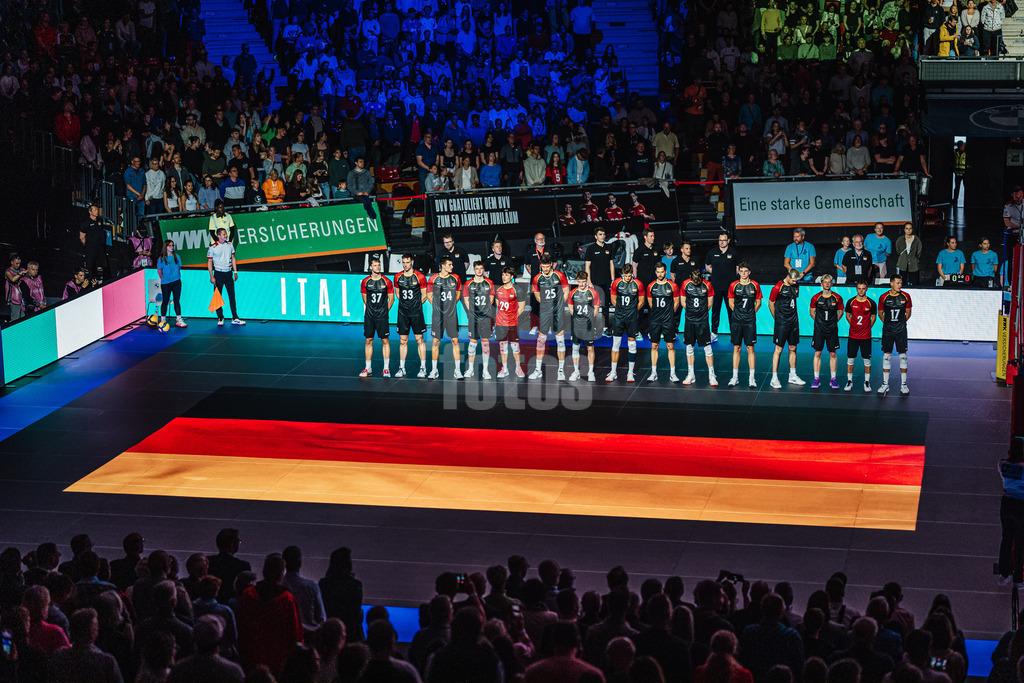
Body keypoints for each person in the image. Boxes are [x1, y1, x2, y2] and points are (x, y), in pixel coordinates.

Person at [237, 554, 303, 676]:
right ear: (282, 573)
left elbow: (241, 625)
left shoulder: (248, 594)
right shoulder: (287, 599)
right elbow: (294, 631)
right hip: (278, 660)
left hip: (251, 655)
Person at [529, 255, 571, 380]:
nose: (546, 269)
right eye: (544, 267)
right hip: (545, 313)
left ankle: (561, 370)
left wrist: (560, 304)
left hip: (558, 313)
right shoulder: (537, 278)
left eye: (548, 266)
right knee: (541, 341)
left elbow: (566, 290)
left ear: (551, 265)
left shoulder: (559, 275)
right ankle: (538, 370)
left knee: (560, 341)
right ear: (541, 265)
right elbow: (537, 295)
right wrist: (547, 306)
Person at [427, 256, 463, 379]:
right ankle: (434, 370)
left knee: (455, 341)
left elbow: (458, 292)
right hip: (438, 316)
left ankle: (457, 370)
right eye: (449, 265)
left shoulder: (455, 278)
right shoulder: (433, 278)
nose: (452, 267)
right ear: (442, 266)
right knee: (435, 342)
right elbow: (429, 294)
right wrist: (438, 306)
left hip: (452, 315)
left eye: (452, 265)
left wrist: (451, 304)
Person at [607, 264, 645, 382]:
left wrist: (632, 311)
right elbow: (613, 299)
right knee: (615, 344)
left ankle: (630, 372)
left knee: (632, 344)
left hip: (632, 318)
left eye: (629, 276)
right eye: (626, 276)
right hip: (619, 317)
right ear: (622, 274)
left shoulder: (638, 284)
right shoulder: (616, 283)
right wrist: (620, 310)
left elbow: (641, 301)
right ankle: (613, 372)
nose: (628, 278)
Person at [394, 254, 429, 378]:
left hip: (416, 313)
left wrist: (415, 305)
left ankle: (423, 368)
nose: (405, 265)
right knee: (403, 341)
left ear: (412, 262)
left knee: (420, 340)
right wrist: (405, 305)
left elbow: (424, 295)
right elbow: (398, 293)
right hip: (403, 313)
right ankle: (402, 368)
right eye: (403, 262)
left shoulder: (419, 276)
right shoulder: (398, 276)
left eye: (407, 262)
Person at [769, 269, 804, 389]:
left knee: (793, 348)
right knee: (778, 349)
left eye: (796, 280)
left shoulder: (796, 285)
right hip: (782, 323)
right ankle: (774, 378)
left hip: (793, 321)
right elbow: (771, 303)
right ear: (788, 276)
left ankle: (792, 375)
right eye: (793, 280)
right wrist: (777, 319)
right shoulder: (777, 287)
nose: (795, 282)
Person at [727, 263, 761, 388]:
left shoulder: (755, 285)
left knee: (750, 348)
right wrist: (738, 313)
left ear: (749, 272)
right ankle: (734, 377)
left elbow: (758, 302)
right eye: (741, 271)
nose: (744, 273)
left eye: (746, 271)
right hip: (737, 321)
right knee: (736, 348)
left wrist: (750, 313)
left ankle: (751, 378)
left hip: (749, 321)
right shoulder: (733, 285)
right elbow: (730, 301)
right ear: (739, 272)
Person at [360, 256, 394, 378]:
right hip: (369, 316)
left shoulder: (387, 281)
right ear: (370, 267)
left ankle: (386, 368)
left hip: (382, 316)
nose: (378, 267)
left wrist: (384, 311)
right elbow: (365, 298)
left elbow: (391, 298)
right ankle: (368, 368)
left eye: (379, 265)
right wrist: (371, 309)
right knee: (368, 340)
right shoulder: (365, 281)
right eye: (375, 265)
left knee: (385, 341)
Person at [682, 270, 718, 386]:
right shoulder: (685, 284)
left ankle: (712, 375)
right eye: (694, 281)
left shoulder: (707, 285)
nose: (696, 283)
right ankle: (691, 374)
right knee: (689, 347)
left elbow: (710, 303)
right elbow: (683, 301)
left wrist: (700, 313)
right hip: (690, 321)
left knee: (707, 348)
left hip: (702, 321)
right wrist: (692, 313)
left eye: (698, 281)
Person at [877, 274, 912, 395]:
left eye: (901, 283)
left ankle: (903, 384)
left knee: (903, 356)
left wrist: (899, 324)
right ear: (891, 283)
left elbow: (908, 313)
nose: (900, 285)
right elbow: (880, 313)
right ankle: (885, 384)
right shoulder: (883, 297)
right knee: (887, 356)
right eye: (897, 283)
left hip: (901, 330)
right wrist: (889, 324)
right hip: (888, 331)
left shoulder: (906, 296)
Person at [646, 263, 680, 382]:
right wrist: (658, 314)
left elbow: (676, 302)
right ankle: (654, 373)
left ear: (666, 271)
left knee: (670, 346)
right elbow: (650, 303)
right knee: (654, 346)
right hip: (655, 321)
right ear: (655, 272)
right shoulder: (651, 286)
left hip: (668, 321)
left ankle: (673, 373)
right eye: (658, 272)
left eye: (662, 272)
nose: (660, 274)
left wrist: (669, 314)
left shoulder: (673, 285)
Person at [809, 275, 844, 390]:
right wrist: (821, 323)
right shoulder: (815, 298)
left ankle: (833, 379)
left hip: (832, 330)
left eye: (829, 282)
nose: (827, 284)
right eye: (825, 282)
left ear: (832, 284)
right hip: (819, 330)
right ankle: (816, 379)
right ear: (821, 284)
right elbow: (812, 312)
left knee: (833, 354)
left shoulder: (837, 298)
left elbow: (840, 312)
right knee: (817, 353)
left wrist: (832, 322)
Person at [462, 261, 496, 379]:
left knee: (485, 344)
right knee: (472, 344)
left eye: (481, 268)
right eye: (477, 269)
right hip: (474, 318)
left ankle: (485, 370)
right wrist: (471, 312)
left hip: (486, 318)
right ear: (474, 270)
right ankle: (470, 369)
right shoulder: (468, 283)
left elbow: (491, 299)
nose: (479, 271)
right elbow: (466, 299)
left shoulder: (489, 282)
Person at [998, 438, 1024, 586]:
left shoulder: (1002, 465)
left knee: (1006, 539)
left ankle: (1003, 574)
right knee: (1020, 542)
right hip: (1021, 506)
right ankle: (1019, 579)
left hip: (1006, 504)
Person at [567, 270, 601, 382]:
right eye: (579, 282)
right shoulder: (572, 293)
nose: (581, 284)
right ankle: (576, 371)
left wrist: (589, 319)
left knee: (590, 348)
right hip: (576, 325)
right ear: (577, 281)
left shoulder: (593, 293)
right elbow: (570, 308)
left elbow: (596, 308)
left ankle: (591, 372)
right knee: (575, 347)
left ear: (586, 281)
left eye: (583, 282)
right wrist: (577, 318)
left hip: (588, 325)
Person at [207, 228, 244, 326]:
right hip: (218, 274)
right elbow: (209, 262)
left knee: (232, 296)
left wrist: (235, 272)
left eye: (226, 234)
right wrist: (211, 276)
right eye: (223, 234)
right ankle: (220, 317)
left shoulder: (230, 245)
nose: (225, 235)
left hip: (228, 273)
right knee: (217, 296)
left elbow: (233, 258)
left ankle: (235, 317)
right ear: (218, 236)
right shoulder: (213, 247)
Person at [844, 280, 877, 393]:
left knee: (867, 359)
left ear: (866, 289)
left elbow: (873, 317)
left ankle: (866, 382)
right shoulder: (851, 302)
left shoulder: (871, 303)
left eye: (863, 288)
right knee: (850, 358)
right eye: (859, 288)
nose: (861, 290)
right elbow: (847, 315)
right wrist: (852, 325)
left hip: (866, 336)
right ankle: (849, 381)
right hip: (853, 335)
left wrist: (868, 327)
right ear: (856, 289)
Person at [705, 232, 739, 342]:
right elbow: (707, 265)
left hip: (730, 288)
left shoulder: (734, 253)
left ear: (728, 241)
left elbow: (738, 268)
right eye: (720, 240)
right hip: (716, 287)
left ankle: (734, 333)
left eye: (724, 240)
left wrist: (731, 277)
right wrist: (714, 272)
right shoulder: (712, 252)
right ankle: (714, 333)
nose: (721, 242)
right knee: (715, 310)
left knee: (731, 311)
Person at [494, 267, 526, 378]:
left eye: (507, 275)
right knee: (503, 346)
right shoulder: (498, 290)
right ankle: (505, 369)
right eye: (503, 275)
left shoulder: (518, 290)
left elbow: (521, 308)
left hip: (512, 323)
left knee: (515, 347)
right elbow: (499, 306)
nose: (504, 277)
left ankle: (518, 368)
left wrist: (512, 317)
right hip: (500, 323)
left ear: (512, 277)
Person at [584, 228, 614, 329]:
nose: (603, 236)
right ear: (596, 236)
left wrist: (613, 279)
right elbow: (587, 266)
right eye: (600, 234)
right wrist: (589, 282)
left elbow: (611, 264)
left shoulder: (609, 247)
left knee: (605, 305)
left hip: (606, 280)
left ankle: (605, 326)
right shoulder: (591, 249)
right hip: (595, 281)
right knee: (593, 304)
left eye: (604, 234)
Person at [157, 240, 186, 328]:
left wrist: (174, 276)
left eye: (172, 245)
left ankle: (179, 319)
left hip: (176, 282)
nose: (171, 247)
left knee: (176, 300)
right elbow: (159, 271)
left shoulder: (177, 256)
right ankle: (163, 320)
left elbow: (179, 267)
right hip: (166, 283)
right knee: (165, 301)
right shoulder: (161, 259)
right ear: (165, 247)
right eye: (169, 245)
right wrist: (165, 278)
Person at [80, 203, 108, 282]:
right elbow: (82, 236)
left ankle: (100, 280)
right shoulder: (86, 223)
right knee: (89, 264)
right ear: (90, 212)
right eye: (95, 210)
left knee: (100, 264)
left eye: (97, 210)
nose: (97, 211)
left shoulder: (100, 221)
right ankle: (87, 280)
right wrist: (86, 245)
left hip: (99, 247)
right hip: (90, 247)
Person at [895, 223, 923, 287]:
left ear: (912, 230)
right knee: (902, 282)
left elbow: (919, 252)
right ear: (904, 230)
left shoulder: (917, 240)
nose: (908, 230)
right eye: (907, 228)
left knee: (914, 282)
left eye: (910, 228)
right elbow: (898, 250)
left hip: (913, 264)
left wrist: (913, 258)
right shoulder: (900, 240)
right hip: (902, 264)